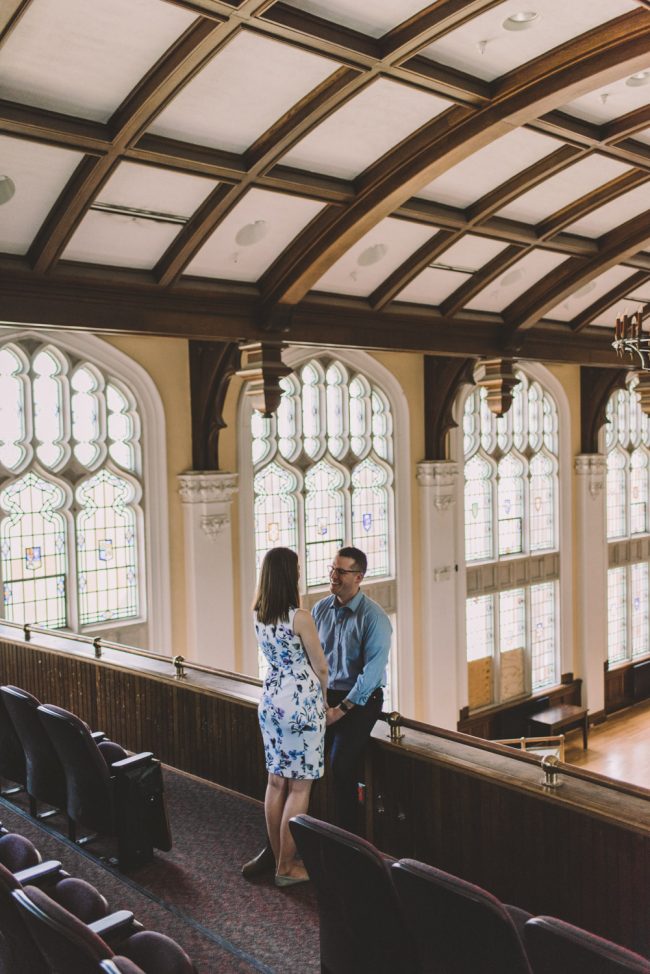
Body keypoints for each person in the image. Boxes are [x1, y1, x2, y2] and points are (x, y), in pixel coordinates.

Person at [243, 544, 392, 878]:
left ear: (359, 577)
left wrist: (339, 710)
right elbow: (316, 665)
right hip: (315, 700)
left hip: (358, 700)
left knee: (338, 766)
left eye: (340, 572)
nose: (333, 576)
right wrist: (323, 703)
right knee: (294, 779)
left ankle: (348, 852)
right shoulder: (318, 610)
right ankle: (278, 853)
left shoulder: (375, 618)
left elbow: (370, 675)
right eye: (331, 569)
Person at [253, 546, 328, 886]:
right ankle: (286, 866)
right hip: (300, 704)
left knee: (275, 781)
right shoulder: (300, 617)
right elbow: (321, 666)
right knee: (299, 787)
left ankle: (277, 858)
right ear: (290, 575)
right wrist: (323, 699)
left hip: (271, 700)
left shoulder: (258, 613)